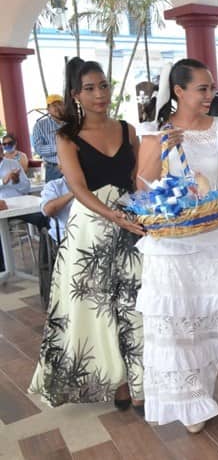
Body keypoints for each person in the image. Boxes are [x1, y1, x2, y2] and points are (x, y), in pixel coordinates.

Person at [135, 58, 218, 433]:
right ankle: (191, 401)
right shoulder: (155, 131)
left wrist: (216, 208)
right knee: (180, 323)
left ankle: (214, 369)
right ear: (179, 91)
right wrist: (160, 149)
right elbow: (143, 188)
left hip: (213, 234)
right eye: (202, 88)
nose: (209, 95)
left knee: (217, 313)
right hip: (172, 245)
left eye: (212, 87)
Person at [29, 58, 145, 412]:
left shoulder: (127, 130)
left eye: (104, 86)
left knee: (134, 305)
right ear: (76, 94)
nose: (100, 94)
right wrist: (114, 216)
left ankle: (139, 382)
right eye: (90, 88)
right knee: (98, 310)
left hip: (131, 227)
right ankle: (118, 383)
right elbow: (78, 189)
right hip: (90, 231)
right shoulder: (67, 138)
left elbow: (138, 179)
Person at [32, 94, 65, 181]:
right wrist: (60, 147)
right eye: (54, 105)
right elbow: (38, 148)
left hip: (74, 165)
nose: (57, 108)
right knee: (54, 194)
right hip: (53, 168)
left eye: (60, 104)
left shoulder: (73, 123)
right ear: (48, 109)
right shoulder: (40, 125)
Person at [39, 176, 73, 243]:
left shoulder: (94, 183)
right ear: (61, 168)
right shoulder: (54, 185)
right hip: (64, 234)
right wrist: (77, 191)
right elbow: (47, 211)